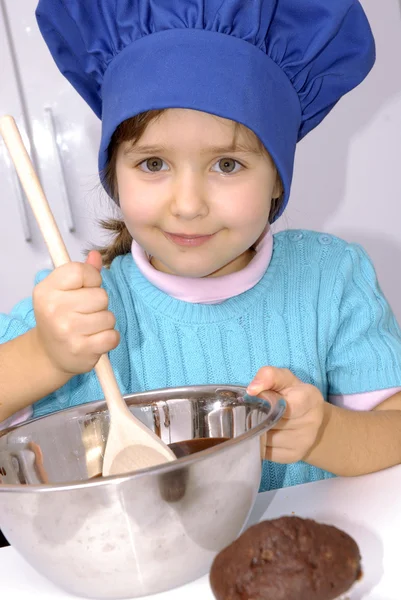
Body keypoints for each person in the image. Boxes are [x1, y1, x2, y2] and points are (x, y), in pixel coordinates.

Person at [1, 0, 401, 493]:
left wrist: (326, 432)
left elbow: (395, 430)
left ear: (277, 178)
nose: (188, 205)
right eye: (152, 164)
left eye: (227, 165)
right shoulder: (78, 303)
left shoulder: (330, 278)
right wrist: (46, 354)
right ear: (114, 175)